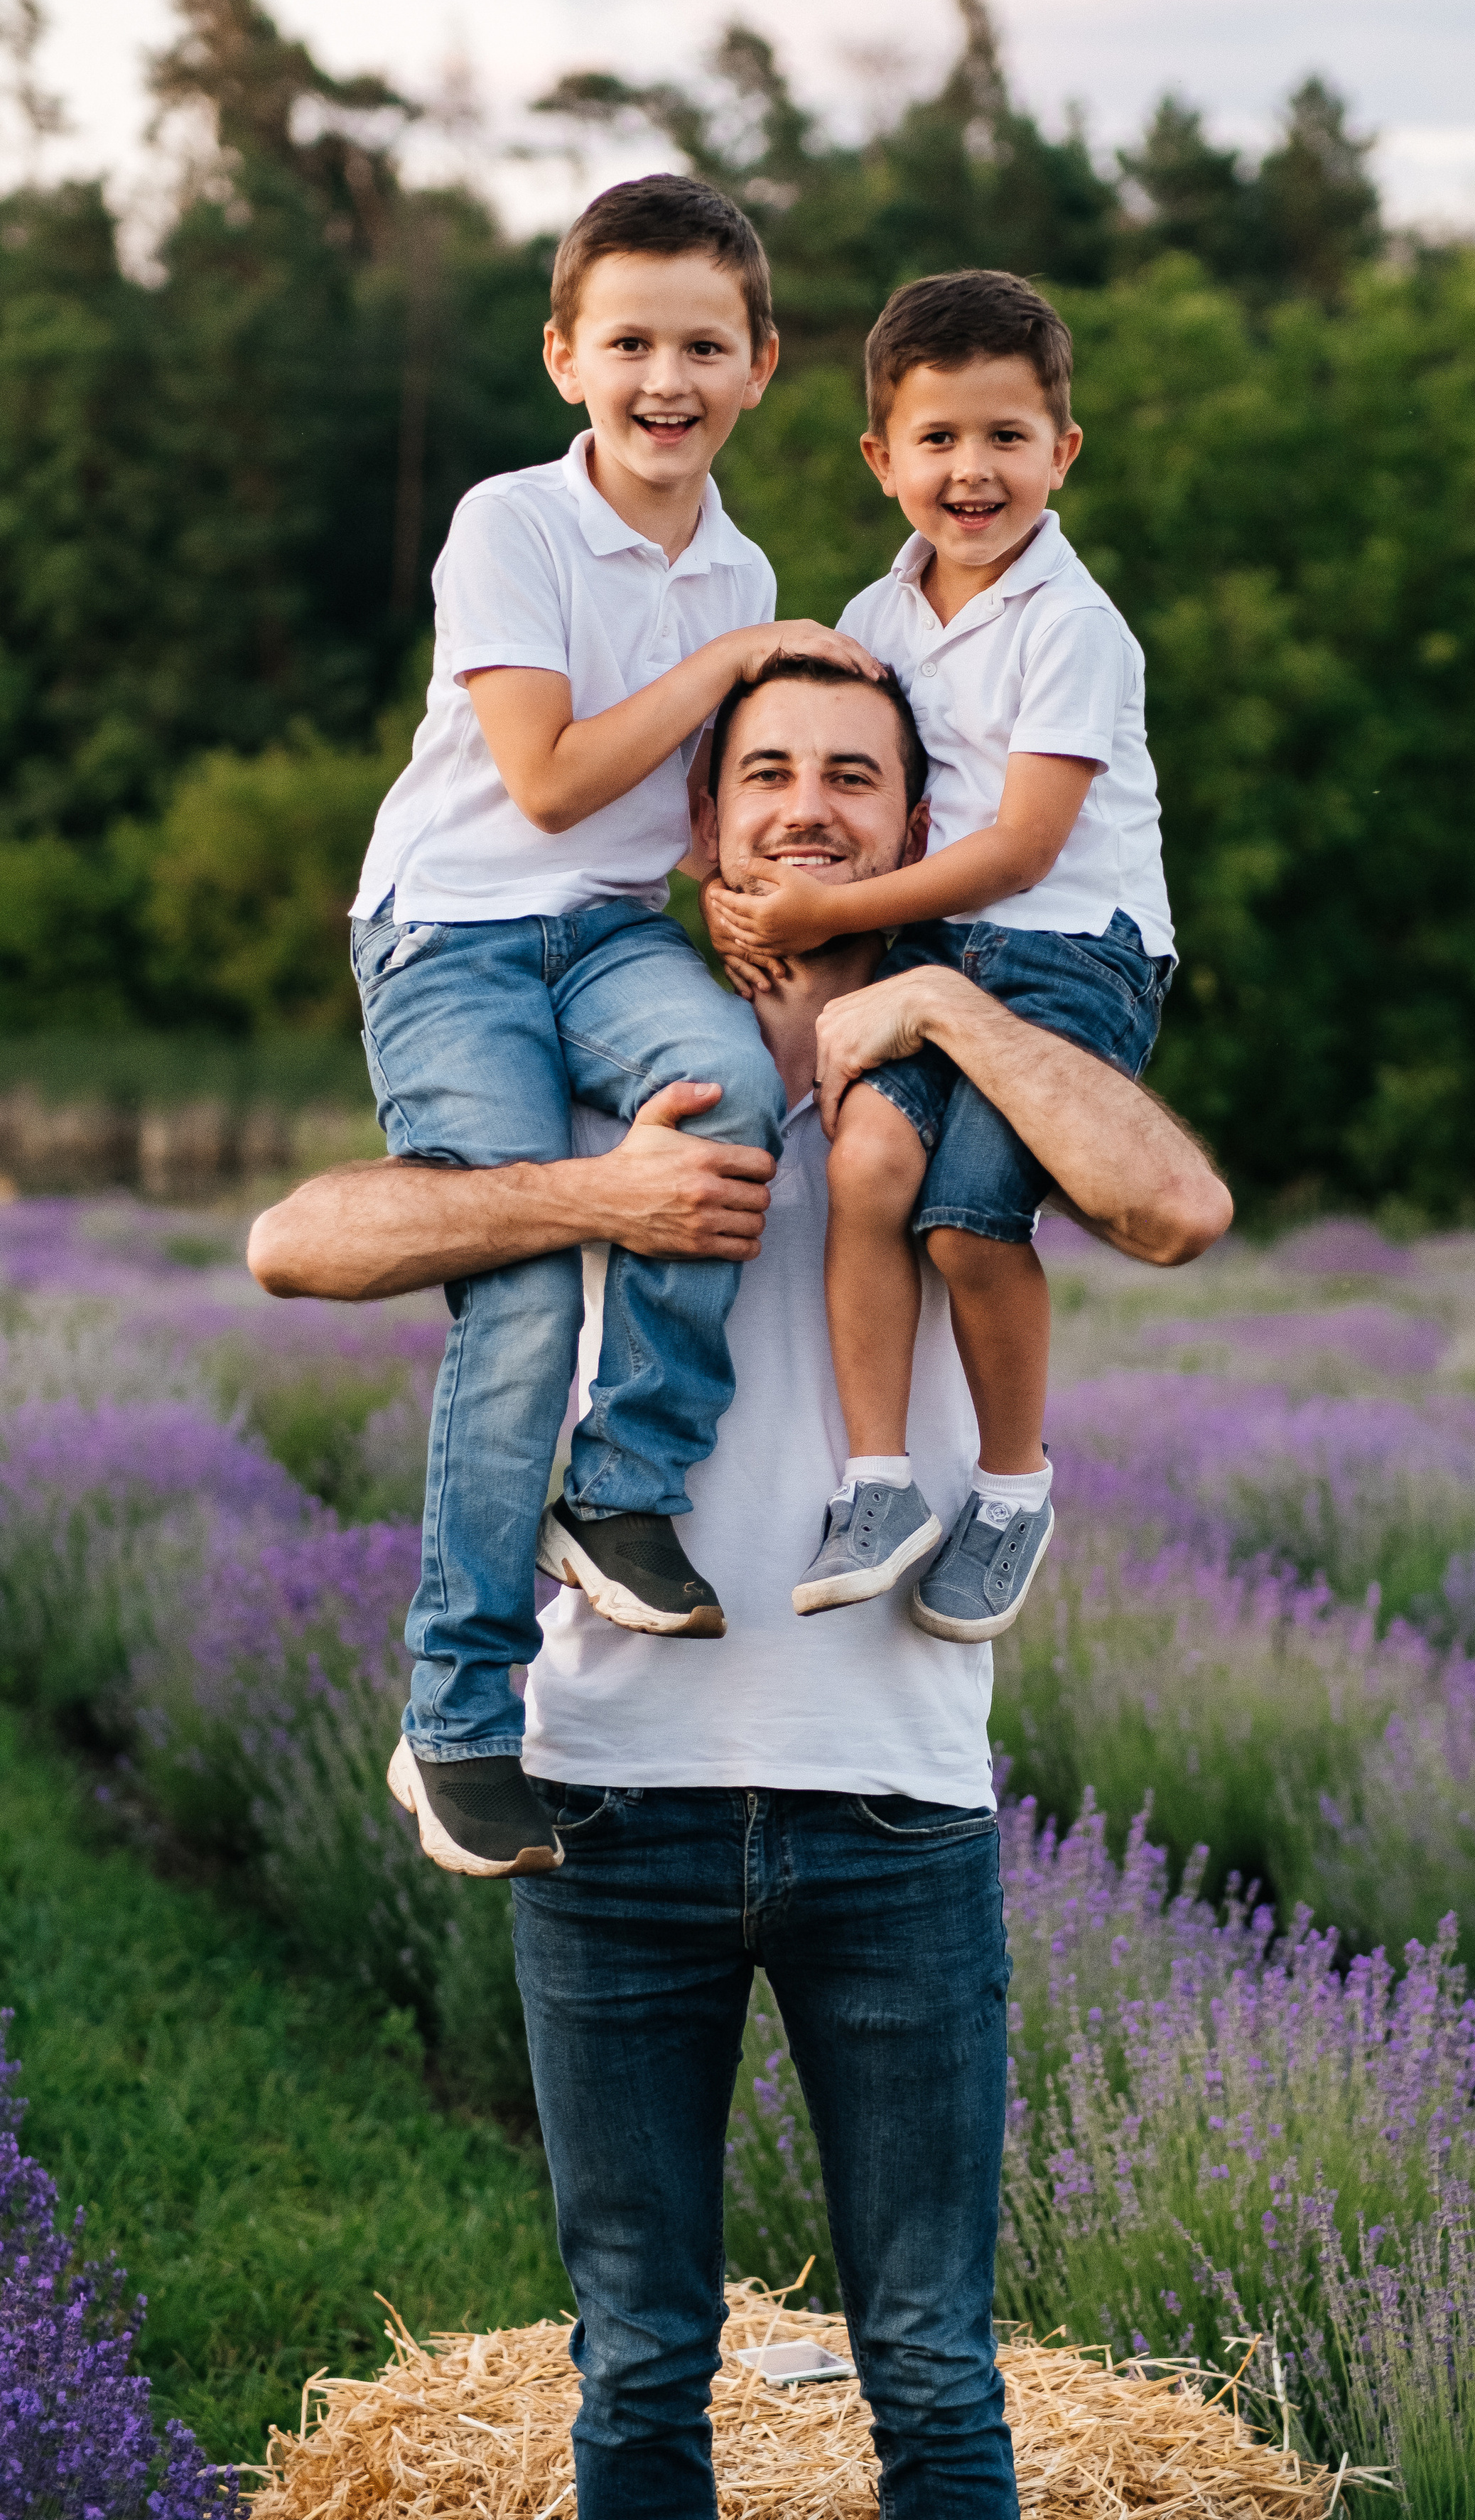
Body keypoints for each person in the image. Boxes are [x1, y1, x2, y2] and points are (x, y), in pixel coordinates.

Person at [248, 657, 1231, 2520]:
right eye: (764, 771)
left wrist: (937, 988)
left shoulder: (972, 1077)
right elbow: (296, 1242)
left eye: (855, 779)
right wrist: (588, 1201)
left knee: (934, 2364)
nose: (804, 805)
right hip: (609, 1816)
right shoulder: (600, 1051)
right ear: (704, 823)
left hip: (898, 1814)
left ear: (915, 830)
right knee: (639, 2361)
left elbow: (1173, 1205)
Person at [345, 171, 880, 1884]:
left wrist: (747, 899)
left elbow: (697, 815)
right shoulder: (510, 522)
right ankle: (458, 1720)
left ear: (761, 364)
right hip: (450, 937)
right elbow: (556, 774)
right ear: (564, 354)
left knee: (725, 1085)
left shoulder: (743, 566)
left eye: (703, 345)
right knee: (510, 1300)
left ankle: (621, 1481)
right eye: (630, 340)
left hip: (601, 931)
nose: (667, 376)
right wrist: (732, 667)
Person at [709, 270, 1174, 1647]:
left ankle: (1013, 1487)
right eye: (937, 440)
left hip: (1064, 955)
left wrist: (832, 923)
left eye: (1005, 438)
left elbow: (1024, 845)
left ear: (1060, 452)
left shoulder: (1071, 625)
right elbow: (846, 783)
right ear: (880, 458)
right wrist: (760, 895)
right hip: (927, 943)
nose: (971, 471)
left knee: (969, 1216)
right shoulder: (879, 609)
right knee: (864, 1165)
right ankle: (876, 1483)